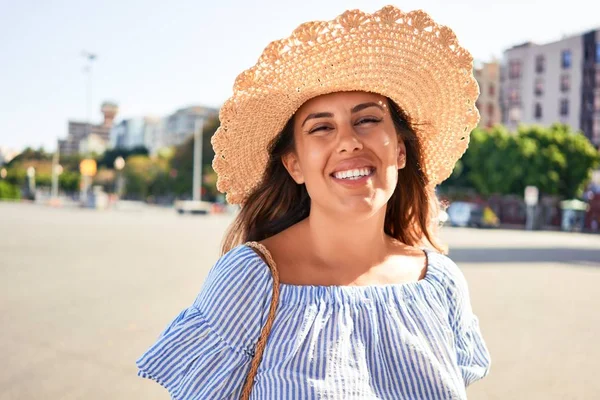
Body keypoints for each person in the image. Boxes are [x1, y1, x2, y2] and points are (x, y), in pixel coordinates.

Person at [137, 6, 491, 399]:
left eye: (368, 120)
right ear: (295, 165)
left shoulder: (440, 283)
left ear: (402, 152)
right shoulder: (251, 278)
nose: (349, 140)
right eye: (322, 127)